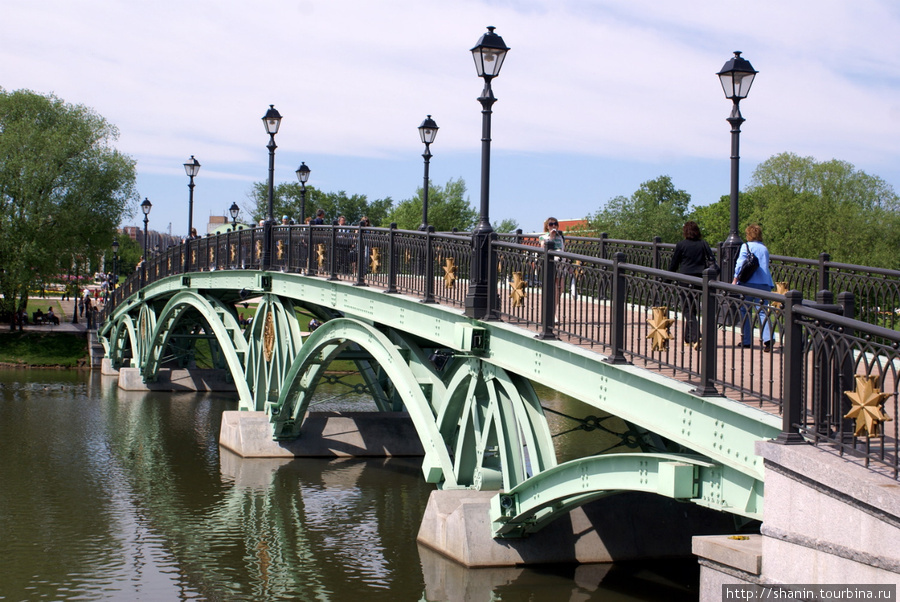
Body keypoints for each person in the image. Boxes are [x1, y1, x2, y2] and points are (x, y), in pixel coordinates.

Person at [732, 223, 776, 352]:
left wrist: (735, 279)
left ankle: (746, 340)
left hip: (748, 283)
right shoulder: (764, 248)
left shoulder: (746, 246)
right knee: (762, 311)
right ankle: (768, 338)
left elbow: (740, 264)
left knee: (745, 311)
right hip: (764, 283)